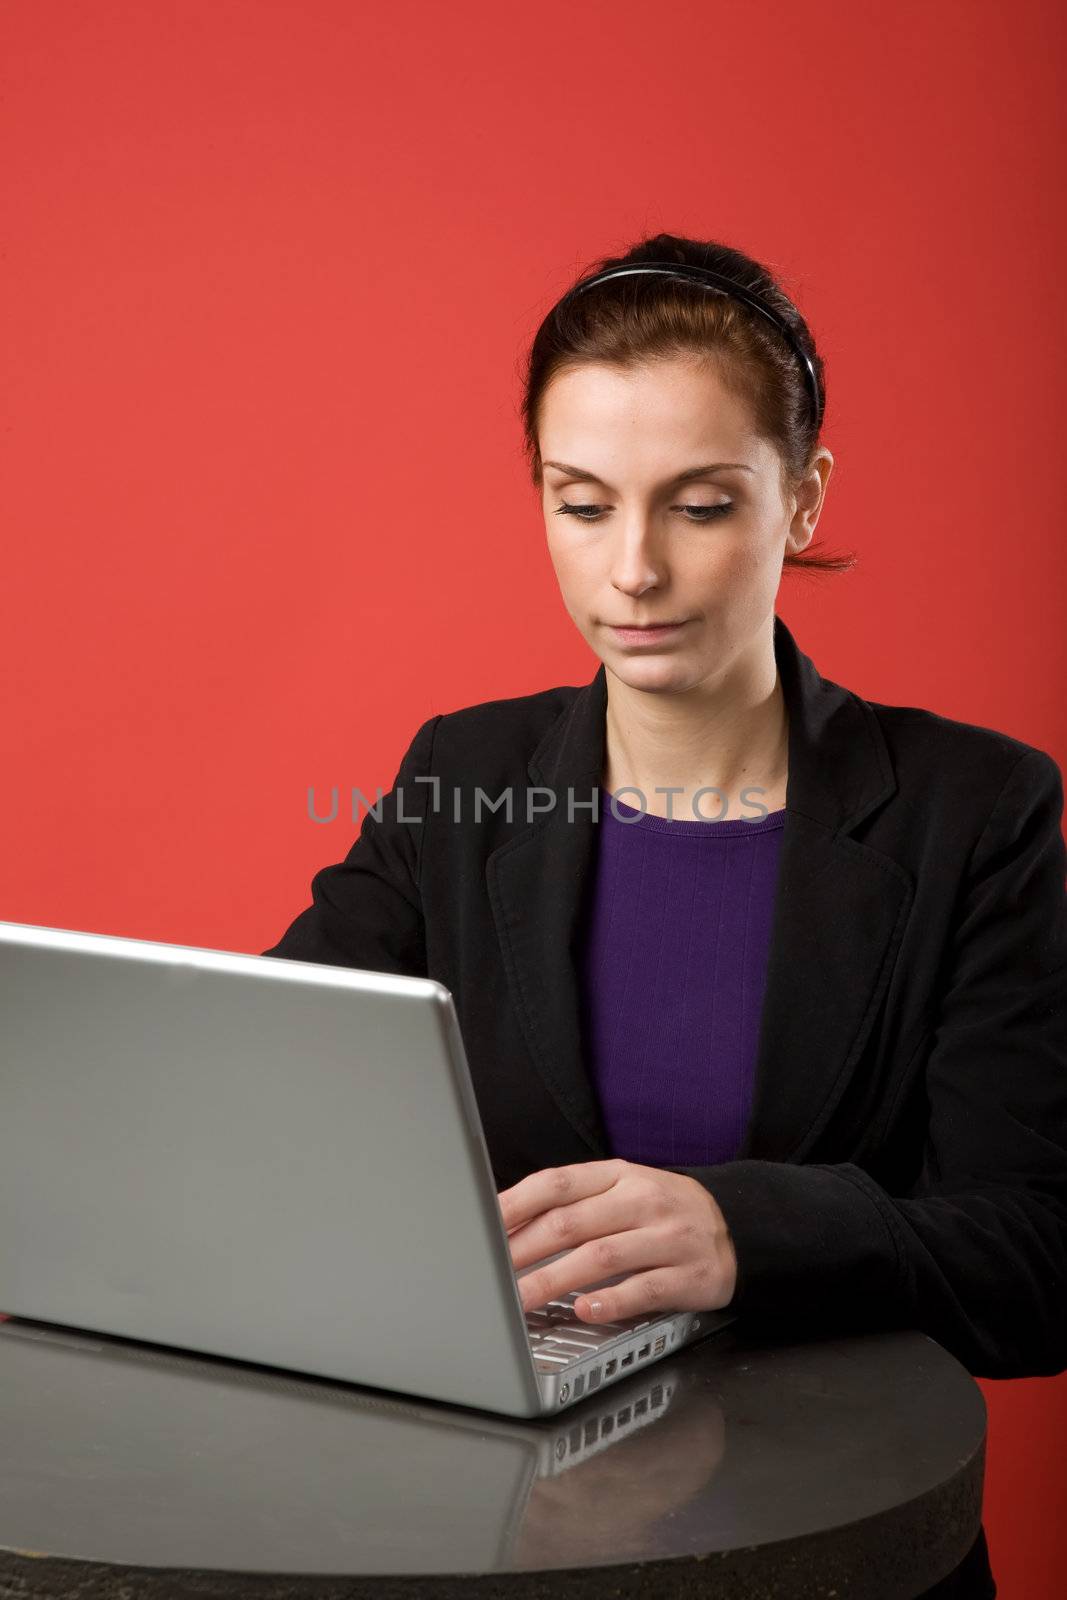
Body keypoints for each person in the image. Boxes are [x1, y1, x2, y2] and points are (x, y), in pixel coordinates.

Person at [262, 233, 1067, 1598]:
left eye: (698, 505)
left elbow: (1039, 1257)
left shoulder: (973, 812)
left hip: (839, 1548)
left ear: (802, 499)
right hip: (491, 1544)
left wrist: (746, 1231)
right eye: (582, 504)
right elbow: (270, 1090)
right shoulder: (461, 774)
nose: (630, 571)